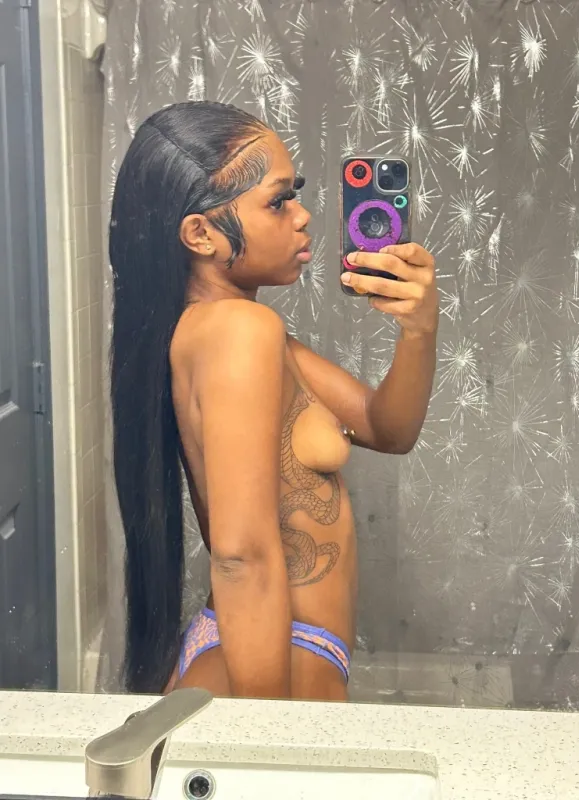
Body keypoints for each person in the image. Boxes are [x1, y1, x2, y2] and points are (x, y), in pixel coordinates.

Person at [109, 101, 438, 701]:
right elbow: (241, 557)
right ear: (200, 234)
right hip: (275, 655)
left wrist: (418, 330)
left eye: (296, 194)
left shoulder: (239, 331)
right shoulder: (241, 332)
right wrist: (268, 738)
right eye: (278, 201)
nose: (303, 215)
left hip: (270, 644)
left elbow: (388, 429)